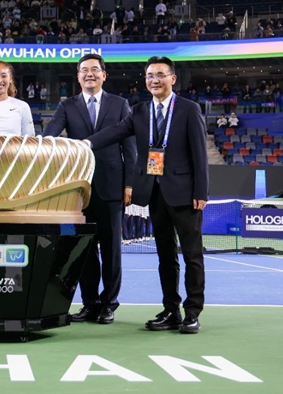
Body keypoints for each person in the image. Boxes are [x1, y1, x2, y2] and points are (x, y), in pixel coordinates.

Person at [87, 56, 209, 334]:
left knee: (192, 255)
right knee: (165, 257)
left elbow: (200, 155)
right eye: (150, 76)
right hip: (154, 194)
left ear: (172, 79)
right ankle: (171, 310)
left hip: (185, 194)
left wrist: (201, 191)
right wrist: (85, 144)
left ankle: (192, 312)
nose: (154, 80)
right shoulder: (140, 111)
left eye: (160, 75)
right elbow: (116, 131)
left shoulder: (189, 110)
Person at [43, 53, 137, 325]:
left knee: (111, 251)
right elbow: (51, 133)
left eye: (95, 69)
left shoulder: (120, 104)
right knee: (83, 250)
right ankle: (89, 303)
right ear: (78, 76)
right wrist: (40, 144)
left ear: (104, 75)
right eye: (84, 70)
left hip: (111, 189)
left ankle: (109, 304)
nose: (89, 74)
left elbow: (129, 149)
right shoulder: (66, 105)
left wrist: (128, 184)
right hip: (78, 190)